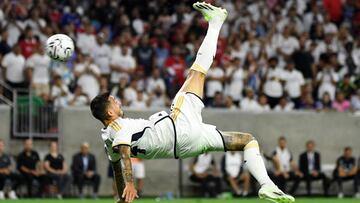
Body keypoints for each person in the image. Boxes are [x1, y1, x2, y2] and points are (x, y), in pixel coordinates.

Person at [90, 3, 294, 203]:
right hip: (179, 127)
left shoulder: (108, 140)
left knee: (247, 141)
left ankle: (268, 185)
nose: (117, 100)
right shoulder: (117, 127)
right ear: (108, 113)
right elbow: (125, 152)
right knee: (197, 72)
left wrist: (123, 195)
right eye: (112, 101)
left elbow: (117, 168)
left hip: (188, 146)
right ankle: (215, 21)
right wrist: (131, 184)